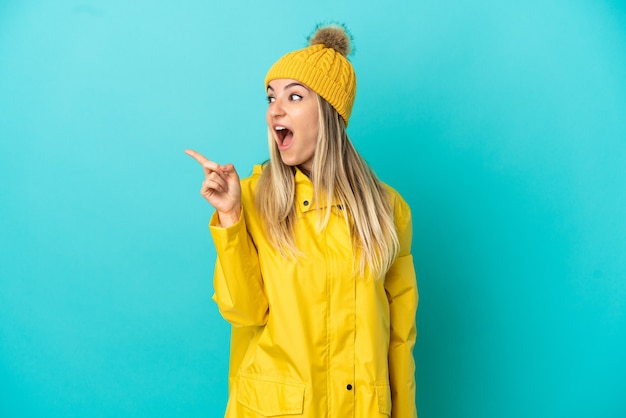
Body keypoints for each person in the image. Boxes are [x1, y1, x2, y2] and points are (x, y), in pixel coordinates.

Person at [186, 23, 418, 418]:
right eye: (271, 97)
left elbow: (400, 338)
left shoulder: (386, 207)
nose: (275, 110)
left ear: (329, 113)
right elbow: (243, 311)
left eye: (294, 97)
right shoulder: (250, 198)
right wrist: (229, 217)